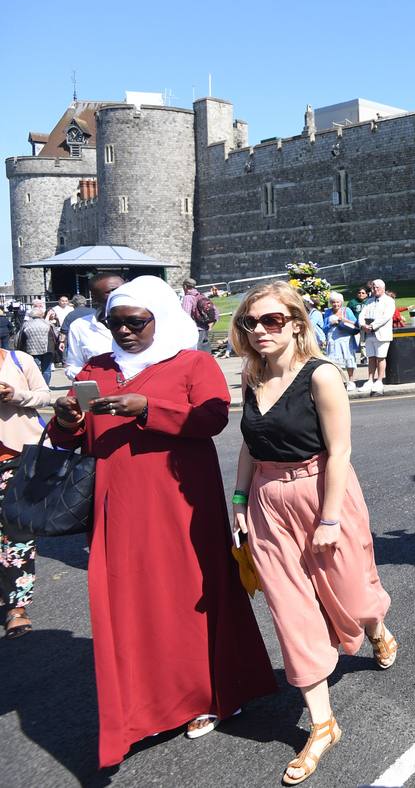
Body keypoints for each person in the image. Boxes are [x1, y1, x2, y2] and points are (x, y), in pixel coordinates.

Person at [49, 276, 277, 767]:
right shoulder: (97, 368)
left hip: (179, 505)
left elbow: (213, 418)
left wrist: (149, 408)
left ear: (161, 317)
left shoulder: (192, 362)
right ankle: (141, 709)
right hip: (115, 511)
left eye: (136, 322)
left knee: (188, 598)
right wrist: (68, 418)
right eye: (116, 323)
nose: (125, 332)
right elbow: (70, 435)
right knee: (127, 606)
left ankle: (209, 695)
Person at [230, 281, 395, 785]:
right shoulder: (252, 376)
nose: (259, 330)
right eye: (250, 322)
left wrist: (328, 519)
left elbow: (339, 452)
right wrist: (238, 499)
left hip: (322, 491)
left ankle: (375, 626)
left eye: (272, 320)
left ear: (297, 324)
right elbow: (249, 443)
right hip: (266, 501)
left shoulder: (321, 376)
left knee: (350, 592)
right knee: (291, 608)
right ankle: (322, 723)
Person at [0, 343, 52, 637]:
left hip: (17, 457)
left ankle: (16, 607)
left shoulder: (20, 360)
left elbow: (44, 396)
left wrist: (14, 395)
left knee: (17, 532)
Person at [64, 273, 126, 380]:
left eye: (124, 289)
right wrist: (100, 378)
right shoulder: (80, 326)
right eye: (111, 291)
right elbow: (73, 367)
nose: (120, 294)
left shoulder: (149, 322)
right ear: (95, 298)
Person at [358, 279, 396, 396]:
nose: (374, 290)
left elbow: (386, 316)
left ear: (383, 288)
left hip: (381, 333)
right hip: (369, 334)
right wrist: (363, 325)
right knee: (371, 358)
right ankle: (370, 380)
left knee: (380, 358)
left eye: (377, 288)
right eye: (373, 288)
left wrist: (373, 326)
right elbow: (361, 314)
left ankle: (379, 380)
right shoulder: (369, 301)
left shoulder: (389, 301)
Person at [323, 291, 360, 392]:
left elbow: (356, 324)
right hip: (333, 340)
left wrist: (343, 320)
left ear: (341, 302)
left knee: (349, 359)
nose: (336, 304)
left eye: (338, 302)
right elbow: (324, 328)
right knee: (334, 362)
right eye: (333, 302)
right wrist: (331, 324)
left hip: (346, 339)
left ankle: (351, 381)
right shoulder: (327, 312)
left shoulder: (346, 310)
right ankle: (339, 382)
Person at [16, 307, 55, 384]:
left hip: (32, 350)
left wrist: (20, 348)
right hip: (47, 348)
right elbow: (54, 336)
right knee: (46, 369)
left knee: (35, 369)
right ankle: (46, 386)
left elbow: (20, 338)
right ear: (42, 315)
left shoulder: (26, 324)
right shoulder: (47, 323)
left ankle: (36, 386)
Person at [181, 277, 217, 350]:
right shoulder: (201, 295)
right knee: (206, 351)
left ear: (185, 286)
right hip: (205, 327)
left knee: (196, 351)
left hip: (195, 329)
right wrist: (211, 325)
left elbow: (186, 316)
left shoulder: (188, 298)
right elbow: (215, 311)